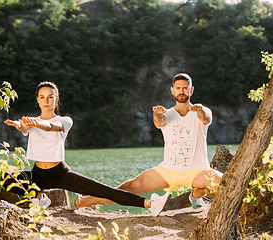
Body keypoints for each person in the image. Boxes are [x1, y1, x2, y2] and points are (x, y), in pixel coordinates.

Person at [2, 81, 171, 216]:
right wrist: (18, 125)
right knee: (6, 178)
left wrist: (35, 123)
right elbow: (25, 129)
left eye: (50, 97)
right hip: (38, 174)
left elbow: (50, 127)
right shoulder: (32, 122)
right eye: (42, 97)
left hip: (60, 174)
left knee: (105, 191)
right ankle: (40, 197)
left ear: (56, 98)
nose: (46, 101)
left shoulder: (65, 120)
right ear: (37, 100)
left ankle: (150, 203)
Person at [71, 73, 223, 209]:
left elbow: (206, 117)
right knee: (129, 187)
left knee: (230, 186)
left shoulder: (201, 110)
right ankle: (81, 202)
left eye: (185, 88)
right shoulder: (167, 114)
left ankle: (198, 194)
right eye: (178, 88)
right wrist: (157, 114)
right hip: (168, 171)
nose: (182, 91)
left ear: (191, 90)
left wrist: (200, 110)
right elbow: (159, 122)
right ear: (172, 90)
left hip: (197, 171)